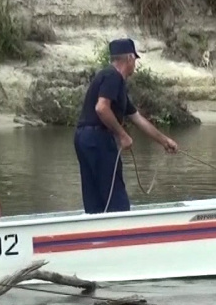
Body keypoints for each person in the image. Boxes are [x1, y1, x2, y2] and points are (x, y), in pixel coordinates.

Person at [74, 38, 178, 214]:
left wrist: (164, 141)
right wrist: (122, 135)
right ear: (129, 58)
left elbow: (137, 118)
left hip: (83, 138)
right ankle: (120, 231)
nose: (135, 64)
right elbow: (101, 108)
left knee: (94, 196)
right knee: (116, 199)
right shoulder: (113, 76)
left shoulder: (112, 81)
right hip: (98, 139)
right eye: (135, 60)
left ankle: (95, 230)